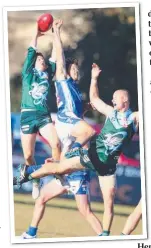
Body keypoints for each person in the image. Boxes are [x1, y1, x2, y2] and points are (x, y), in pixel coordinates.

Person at [14, 62, 139, 236]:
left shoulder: (132, 117)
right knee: (47, 190)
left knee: (94, 207)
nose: (112, 100)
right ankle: (30, 227)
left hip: (94, 168)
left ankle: (105, 236)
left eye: (115, 98)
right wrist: (94, 79)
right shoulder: (96, 113)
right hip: (81, 161)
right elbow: (94, 100)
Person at [21, 19, 102, 239]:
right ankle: (30, 234)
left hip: (72, 162)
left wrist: (92, 88)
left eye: (75, 67)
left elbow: (83, 108)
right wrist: (56, 32)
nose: (75, 69)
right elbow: (59, 55)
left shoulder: (75, 91)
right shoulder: (62, 79)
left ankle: (105, 238)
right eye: (72, 66)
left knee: (84, 210)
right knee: (87, 132)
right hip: (65, 128)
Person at [20, 24, 61, 199]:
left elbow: (56, 54)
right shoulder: (28, 73)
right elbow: (31, 50)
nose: (42, 60)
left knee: (56, 144)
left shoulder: (48, 73)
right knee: (28, 156)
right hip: (27, 115)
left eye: (43, 60)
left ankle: (58, 173)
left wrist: (56, 33)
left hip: (43, 116)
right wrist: (36, 35)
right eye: (39, 59)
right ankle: (36, 181)